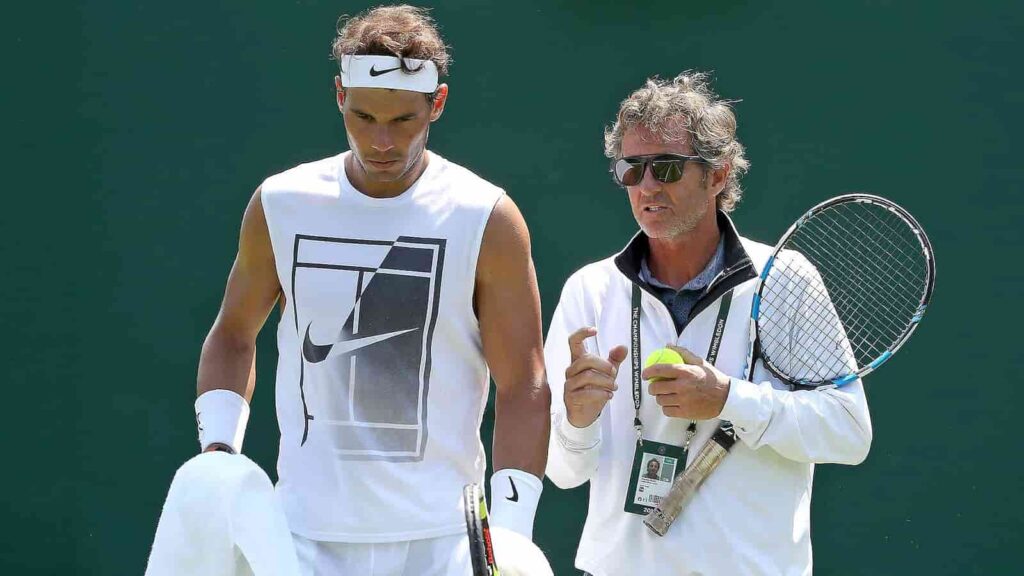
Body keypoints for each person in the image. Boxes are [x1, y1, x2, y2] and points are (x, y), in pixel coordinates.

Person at [193, 6, 550, 575]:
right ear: (339, 96)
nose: (381, 140)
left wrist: (508, 537)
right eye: (363, 116)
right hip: (302, 538)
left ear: (437, 104)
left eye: (403, 120)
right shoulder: (281, 203)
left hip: (445, 545)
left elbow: (524, 384)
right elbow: (233, 336)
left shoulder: (485, 216)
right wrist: (217, 457)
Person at [544, 71, 872, 575]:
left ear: (717, 175)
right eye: (632, 169)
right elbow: (563, 473)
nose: (647, 185)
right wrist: (577, 419)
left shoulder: (786, 279)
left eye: (667, 168)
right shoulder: (589, 289)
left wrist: (729, 399)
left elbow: (849, 434)